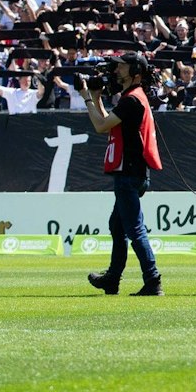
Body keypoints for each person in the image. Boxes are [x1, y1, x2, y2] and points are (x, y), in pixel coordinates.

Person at [80, 54, 163, 296]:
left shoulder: (131, 100)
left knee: (134, 229)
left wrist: (86, 98)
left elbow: (100, 126)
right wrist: (96, 98)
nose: (117, 69)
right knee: (117, 225)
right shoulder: (133, 98)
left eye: (123, 66)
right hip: (133, 172)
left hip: (128, 172)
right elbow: (110, 121)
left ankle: (153, 279)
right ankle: (112, 278)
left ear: (136, 73)